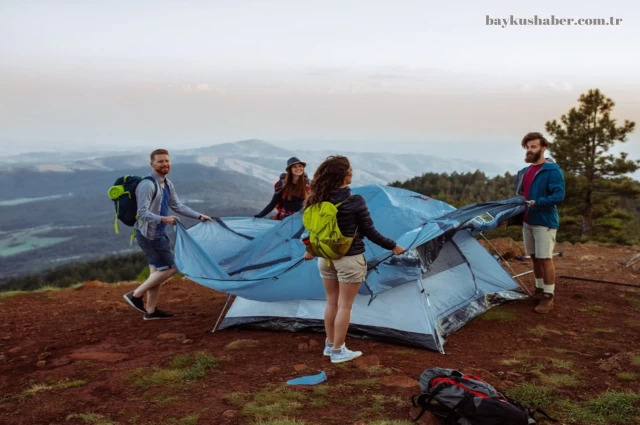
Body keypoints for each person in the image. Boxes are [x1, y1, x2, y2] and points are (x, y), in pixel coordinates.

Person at [302, 155, 405, 363]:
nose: (352, 172)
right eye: (349, 169)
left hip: (325, 258)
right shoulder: (355, 201)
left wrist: (311, 249)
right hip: (350, 259)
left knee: (331, 302)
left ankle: (330, 345)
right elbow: (370, 232)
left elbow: (310, 230)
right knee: (345, 306)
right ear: (342, 174)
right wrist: (393, 246)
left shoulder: (317, 199)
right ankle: (339, 351)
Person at [123, 149, 213, 320]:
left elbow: (177, 206)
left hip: (157, 232)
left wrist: (199, 216)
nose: (164, 164)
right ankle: (135, 295)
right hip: (150, 234)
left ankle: (150, 312)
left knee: (156, 272)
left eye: (166, 161)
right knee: (172, 267)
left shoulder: (167, 183)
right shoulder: (147, 185)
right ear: (152, 164)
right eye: (160, 161)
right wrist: (164, 219)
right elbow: (142, 213)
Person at [515, 132, 565, 314]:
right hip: (528, 220)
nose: (530, 150)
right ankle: (538, 289)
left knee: (545, 259)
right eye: (527, 147)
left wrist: (538, 202)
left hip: (544, 221)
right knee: (535, 257)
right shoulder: (525, 172)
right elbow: (522, 195)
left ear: (543, 148)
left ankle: (548, 296)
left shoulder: (552, 171)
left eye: (533, 146)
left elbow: (559, 196)